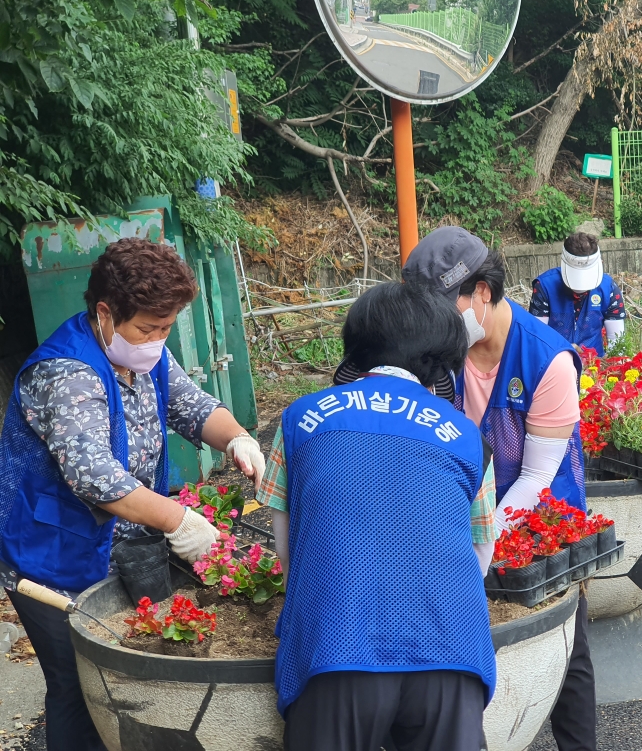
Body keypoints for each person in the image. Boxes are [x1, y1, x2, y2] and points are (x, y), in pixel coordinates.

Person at [0, 238, 265, 751]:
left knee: (121, 686)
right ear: (105, 313)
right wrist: (180, 521)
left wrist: (237, 438)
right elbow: (96, 477)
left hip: (118, 545)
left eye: (166, 327)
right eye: (149, 328)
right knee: (79, 688)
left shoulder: (145, 357)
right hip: (54, 557)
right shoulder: (67, 373)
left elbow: (193, 406)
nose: (159, 339)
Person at [259, 282, 496, 751]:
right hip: (450, 648)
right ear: (440, 357)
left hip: (335, 649)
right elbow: (480, 551)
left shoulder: (299, 420)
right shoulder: (467, 437)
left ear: (357, 347)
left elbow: (289, 545)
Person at [402, 226, 596, 751]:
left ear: (481, 294)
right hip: (465, 515)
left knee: (565, 644)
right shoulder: (442, 352)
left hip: (539, 518)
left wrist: (478, 547)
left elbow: (535, 476)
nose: (436, 323)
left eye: (445, 307)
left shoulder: (547, 360)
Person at [529, 232, 626, 355]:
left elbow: (617, 341)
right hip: (555, 362)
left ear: (600, 263)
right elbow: (537, 337)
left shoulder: (608, 289)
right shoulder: (544, 286)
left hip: (596, 365)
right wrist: (563, 348)